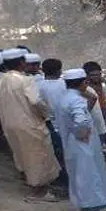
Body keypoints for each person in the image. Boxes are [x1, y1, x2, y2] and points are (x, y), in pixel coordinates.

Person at [0, 48, 61, 201]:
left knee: (21, 154)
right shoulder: (25, 80)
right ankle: (39, 192)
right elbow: (36, 101)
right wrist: (46, 114)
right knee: (38, 156)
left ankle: (30, 183)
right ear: (22, 63)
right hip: (29, 124)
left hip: (9, 124)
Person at [57, 69, 106, 211]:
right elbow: (81, 121)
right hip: (82, 143)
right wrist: (83, 134)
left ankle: (86, 206)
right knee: (88, 174)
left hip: (73, 143)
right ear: (83, 83)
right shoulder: (76, 100)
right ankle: (90, 208)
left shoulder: (66, 97)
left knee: (80, 174)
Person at [38, 58, 70, 190]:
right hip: (67, 124)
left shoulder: (38, 86)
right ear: (59, 70)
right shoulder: (65, 84)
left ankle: (61, 181)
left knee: (56, 155)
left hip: (49, 124)